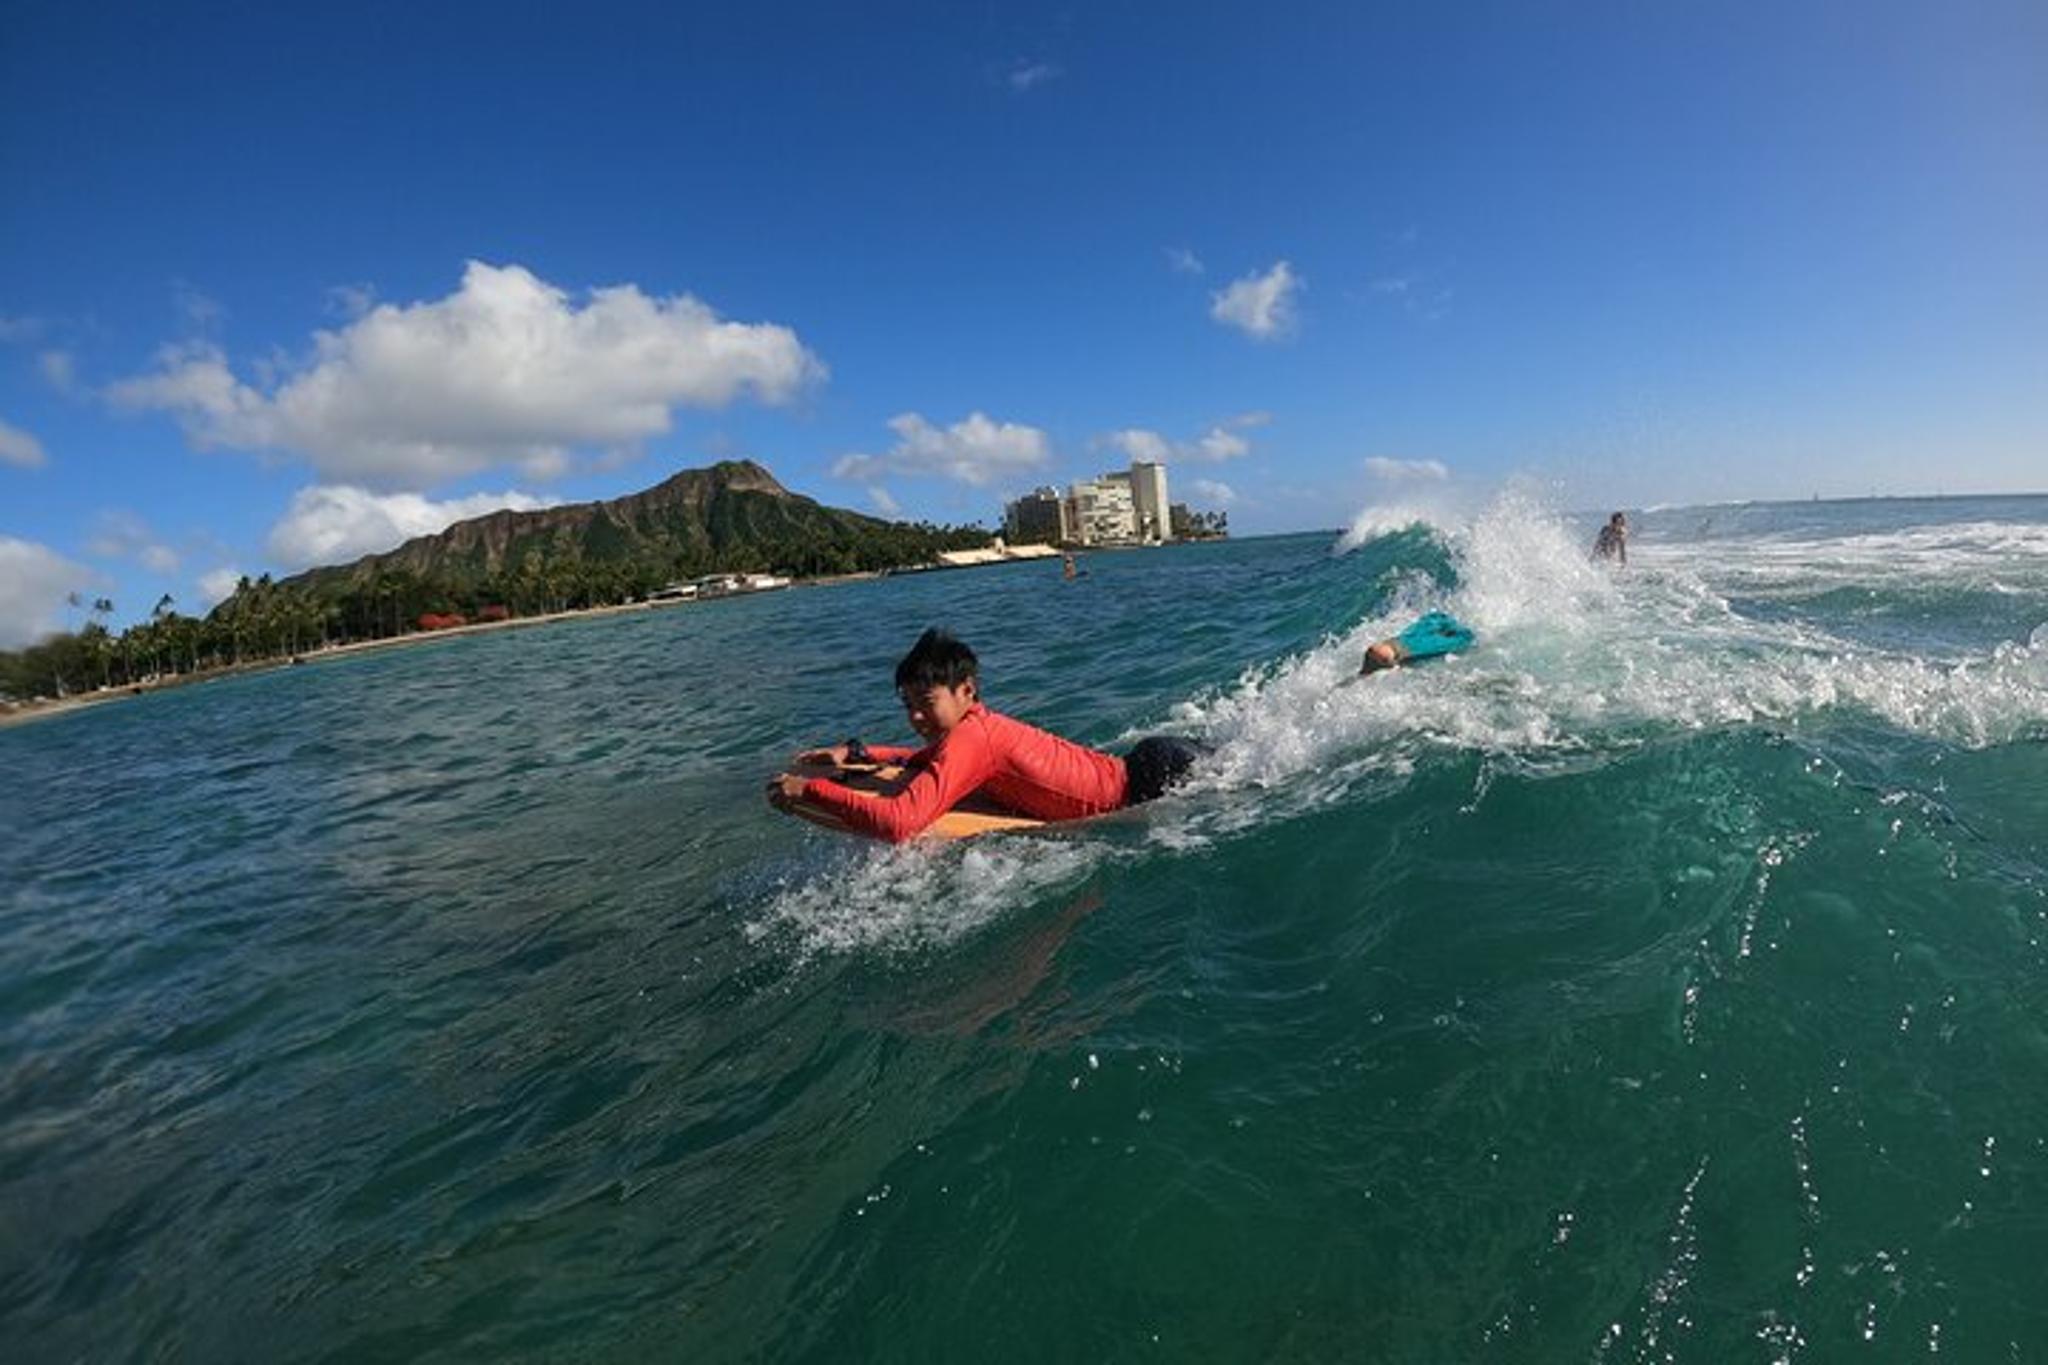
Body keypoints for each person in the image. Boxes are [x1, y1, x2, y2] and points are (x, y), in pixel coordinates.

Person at [766, 628, 1207, 841]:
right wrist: (857, 752)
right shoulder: (973, 729)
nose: (916, 717)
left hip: (1156, 783)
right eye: (908, 707)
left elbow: (899, 823)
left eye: (926, 703)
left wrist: (810, 790)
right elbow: (926, 759)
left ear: (967, 691)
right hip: (1147, 764)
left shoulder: (971, 739)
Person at [1358, 610, 1476, 676]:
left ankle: (1386, 656)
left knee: (1464, 637)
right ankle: (1386, 656)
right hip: (1398, 648)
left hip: (1399, 648)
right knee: (1440, 624)